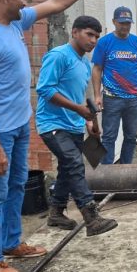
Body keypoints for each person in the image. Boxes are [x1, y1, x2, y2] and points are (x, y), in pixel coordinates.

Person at [0, 0, 121, 272]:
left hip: (19, 123)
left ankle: (11, 243)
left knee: (15, 186)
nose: (26, 2)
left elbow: (55, 3)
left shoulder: (15, 22)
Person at [35, 16, 118, 237]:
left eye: (97, 37)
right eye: (89, 34)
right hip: (51, 124)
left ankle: (56, 213)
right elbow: (44, 89)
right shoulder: (58, 56)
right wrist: (78, 110)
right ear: (74, 32)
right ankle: (91, 218)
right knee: (74, 163)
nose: (93, 40)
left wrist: (88, 120)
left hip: (73, 125)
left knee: (66, 168)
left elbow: (77, 97)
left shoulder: (84, 63)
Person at [91, 6, 137, 164]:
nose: (125, 26)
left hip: (134, 98)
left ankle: (126, 170)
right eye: (121, 23)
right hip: (112, 98)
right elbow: (97, 69)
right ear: (114, 22)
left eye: (127, 23)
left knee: (131, 136)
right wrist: (98, 95)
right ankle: (107, 173)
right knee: (109, 136)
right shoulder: (104, 42)